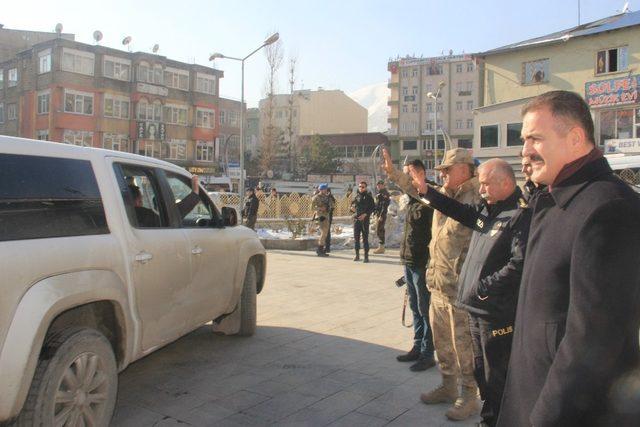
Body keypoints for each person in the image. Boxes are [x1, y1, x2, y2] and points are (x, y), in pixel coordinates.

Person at [498, 91, 640, 427]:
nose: (525, 150)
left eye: (535, 138)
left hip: (564, 410)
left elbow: (591, 343)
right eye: (524, 139)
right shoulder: (558, 200)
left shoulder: (607, 209)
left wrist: (544, 419)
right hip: (533, 391)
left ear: (575, 138)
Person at [399, 156, 531, 427]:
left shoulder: (518, 215)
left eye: (485, 185)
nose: (481, 190)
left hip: (494, 311)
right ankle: (483, 412)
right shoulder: (488, 211)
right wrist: (426, 191)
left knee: (495, 373)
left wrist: (483, 289)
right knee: (483, 370)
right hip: (472, 303)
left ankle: (491, 413)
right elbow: (458, 211)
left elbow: (519, 263)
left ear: (505, 183)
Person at [388, 148, 481, 421]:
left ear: (464, 169)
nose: (443, 174)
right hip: (438, 283)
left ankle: (469, 395)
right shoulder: (445, 195)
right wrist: (394, 173)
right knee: (443, 342)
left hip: (460, 287)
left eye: (447, 170)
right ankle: (448, 386)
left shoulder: (475, 197)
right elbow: (418, 191)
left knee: (463, 345)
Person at [390, 159, 436, 372]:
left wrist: (430, 263)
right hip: (409, 260)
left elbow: (435, 235)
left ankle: (428, 353)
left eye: (410, 173)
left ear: (421, 173)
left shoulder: (432, 198)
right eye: (406, 173)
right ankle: (417, 346)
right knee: (415, 307)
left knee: (425, 309)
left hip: (422, 262)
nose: (408, 177)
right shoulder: (411, 198)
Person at [350, 181, 375, 263]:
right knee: (356, 238)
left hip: (364, 221)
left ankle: (366, 257)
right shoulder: (356, 196)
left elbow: (373, 208)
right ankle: (357, 255)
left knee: (365, 239)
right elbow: (352, 207)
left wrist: (365, 214)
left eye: (363, 187)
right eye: (360, 186)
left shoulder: (369, 197)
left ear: (366, 188)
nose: (361, 188)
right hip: (357, 220)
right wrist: (352, 209)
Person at [311, 183, 334, 257]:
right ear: (321, 189)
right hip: (320, 216)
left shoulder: (327, 197)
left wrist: (329, 206)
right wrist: (320, 208)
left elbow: (332, 205)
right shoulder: (316, 197)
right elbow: (312, 208)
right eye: (325, 189)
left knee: (325, 233)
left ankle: (321, 249)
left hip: (326, 216)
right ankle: (319, 249)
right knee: (323, 233)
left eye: (326, 189)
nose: (326, 190)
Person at [373, 180, 391, 254]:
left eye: (380, 185)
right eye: (378, 185)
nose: (379, 186)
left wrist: (381, 215)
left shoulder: (385, 193)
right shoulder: (379, 193)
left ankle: (381, 247)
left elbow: (384, 206)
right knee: (379, 229)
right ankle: (381, 247)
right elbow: (378, 204)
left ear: (383, 185)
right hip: (378, 214)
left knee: (380, 230)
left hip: (382, 214)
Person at [325, 187, 337, 253]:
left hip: (328, 217)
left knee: (327, 232)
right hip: (324, 217)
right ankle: (325, 247)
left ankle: (327, 247)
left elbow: (332, 207)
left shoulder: (330, 198)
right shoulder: (325, 197)